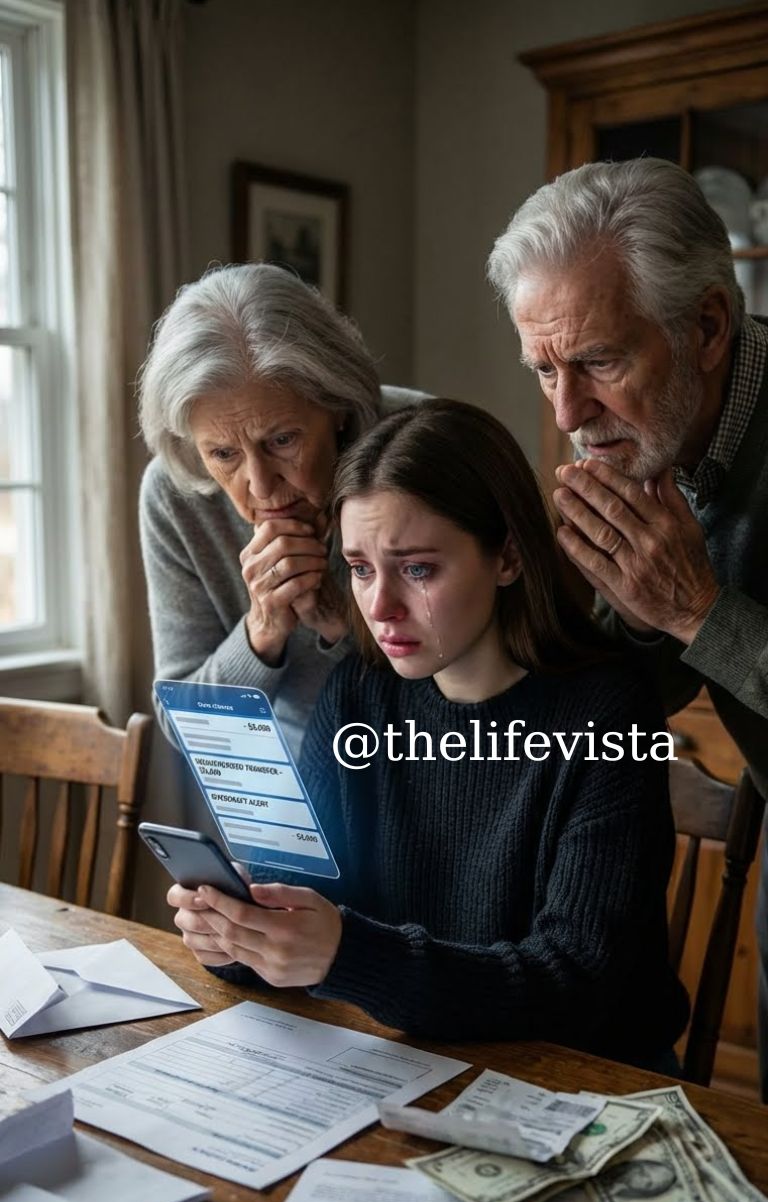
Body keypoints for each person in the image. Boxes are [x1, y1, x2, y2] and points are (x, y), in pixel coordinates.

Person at [172, 399, 689, 1067]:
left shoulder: (609, 712)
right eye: (359, 568)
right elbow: (296, 887)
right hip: (412, 1070)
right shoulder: (360, 690)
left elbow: (575, 982)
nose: (380, 606)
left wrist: (342, 954)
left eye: (417, 568)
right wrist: (239, 932)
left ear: (506, 556)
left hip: (583, 1091)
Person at [487, 156, 768, 1095]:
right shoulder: (654, 436)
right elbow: (627, 692)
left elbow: (695, 620)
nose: (568, 412)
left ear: (709, 327)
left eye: (600, 361)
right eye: (543, 369)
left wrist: (698, 608)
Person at [138, 262, 423, 758]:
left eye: (282, 440)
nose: (261, 484)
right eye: (224, 455)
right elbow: (187, 729)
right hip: (283, 798)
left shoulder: (423, 447)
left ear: (337, 406)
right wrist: (262, 631)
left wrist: (340, 623)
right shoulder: (175, 494)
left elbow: (478, 700)